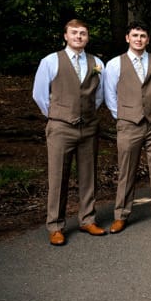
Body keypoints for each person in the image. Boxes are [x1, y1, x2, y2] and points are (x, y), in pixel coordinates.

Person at [31, 19, 105, 245]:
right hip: (61, 127)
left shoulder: (97, 63)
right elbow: (40, 95)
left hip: (89, 126)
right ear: (65, 36)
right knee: (58, 177)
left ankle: (87, 219)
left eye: (83, 33)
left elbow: (99, 94)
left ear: (87, 37)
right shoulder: (50, 61)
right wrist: (57, 115)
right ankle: (55, 225)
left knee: (88, 175)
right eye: (74, 33)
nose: (79, 36)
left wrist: (87, 114)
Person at [101, 21, 151, 232]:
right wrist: (121, 116)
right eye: (135, 35)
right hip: (128, 123)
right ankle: (121, 214)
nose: (138, 39)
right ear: (127, 38)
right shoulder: (114, 64)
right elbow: (109, 94)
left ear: (147, 39)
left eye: (142, 36)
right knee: (126, 170)